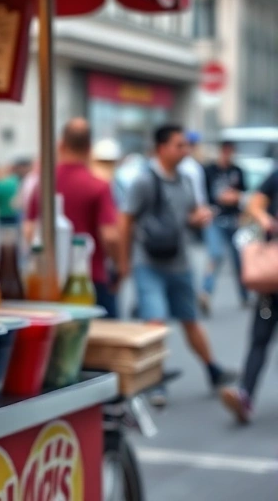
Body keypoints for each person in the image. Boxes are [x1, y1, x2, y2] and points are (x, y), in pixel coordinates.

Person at [118, 124, 234, 406]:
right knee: (155, 322)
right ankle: (155, 382)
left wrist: (199, 217)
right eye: (179, 145)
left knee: (190, 320)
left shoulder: (185, 179)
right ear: (161, 148)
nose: (185, 150)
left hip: (179, 262)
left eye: (186, 146)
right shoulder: (144, 181)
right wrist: (123, 263)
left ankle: (212, 369)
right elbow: (126, 222)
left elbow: (189, 213)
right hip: (149, 262)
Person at [24, 119, 120, 317]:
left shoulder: (43, 183)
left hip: (48, 279)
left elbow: (29, 231)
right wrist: (119, 266)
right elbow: (110, 236)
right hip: (90, 277)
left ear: (61, 145)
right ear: (89, 148)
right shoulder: (98, 185)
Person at [220, 167, 278, 423]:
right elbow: (255, 204)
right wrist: (265, 219)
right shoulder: (275, 177)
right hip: (272, 276)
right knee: (259, 337)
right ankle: (244, 394)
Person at [200, 141, 248, 314]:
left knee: (240, 260)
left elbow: (245, 196)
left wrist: (236, 198)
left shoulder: (237, 171)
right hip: (215, 219)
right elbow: (202, 195)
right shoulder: (209, 170)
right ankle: (206, 293)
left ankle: (245, 295)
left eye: (231, 152)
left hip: (234, 220)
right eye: (225, 151)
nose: (228, 155)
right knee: (215, 255)